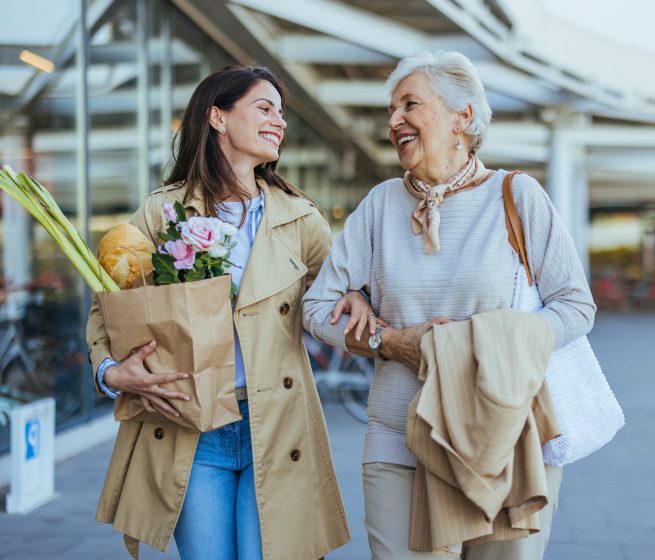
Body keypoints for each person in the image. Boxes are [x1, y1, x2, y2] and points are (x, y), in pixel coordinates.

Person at [302, 51, 596, 559]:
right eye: (391, 110)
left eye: (410, 104)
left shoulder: (517, 195)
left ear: (463, 117)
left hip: (500, 435)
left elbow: (574, 306)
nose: (394, 121)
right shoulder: (380, 205)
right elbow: (316, 308)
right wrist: (388, 341)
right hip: (398, 437)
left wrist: (478, 343)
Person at [85, 65, 350, 560]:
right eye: (264, 108)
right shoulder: (163, 213)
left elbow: (333, 297)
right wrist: (111, 372)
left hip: (275, 422)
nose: (280, 122)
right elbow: (108, 309)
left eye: (283, 113)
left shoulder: (300, 218)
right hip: (191, 425)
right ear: (218, 117)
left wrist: (353, 299)